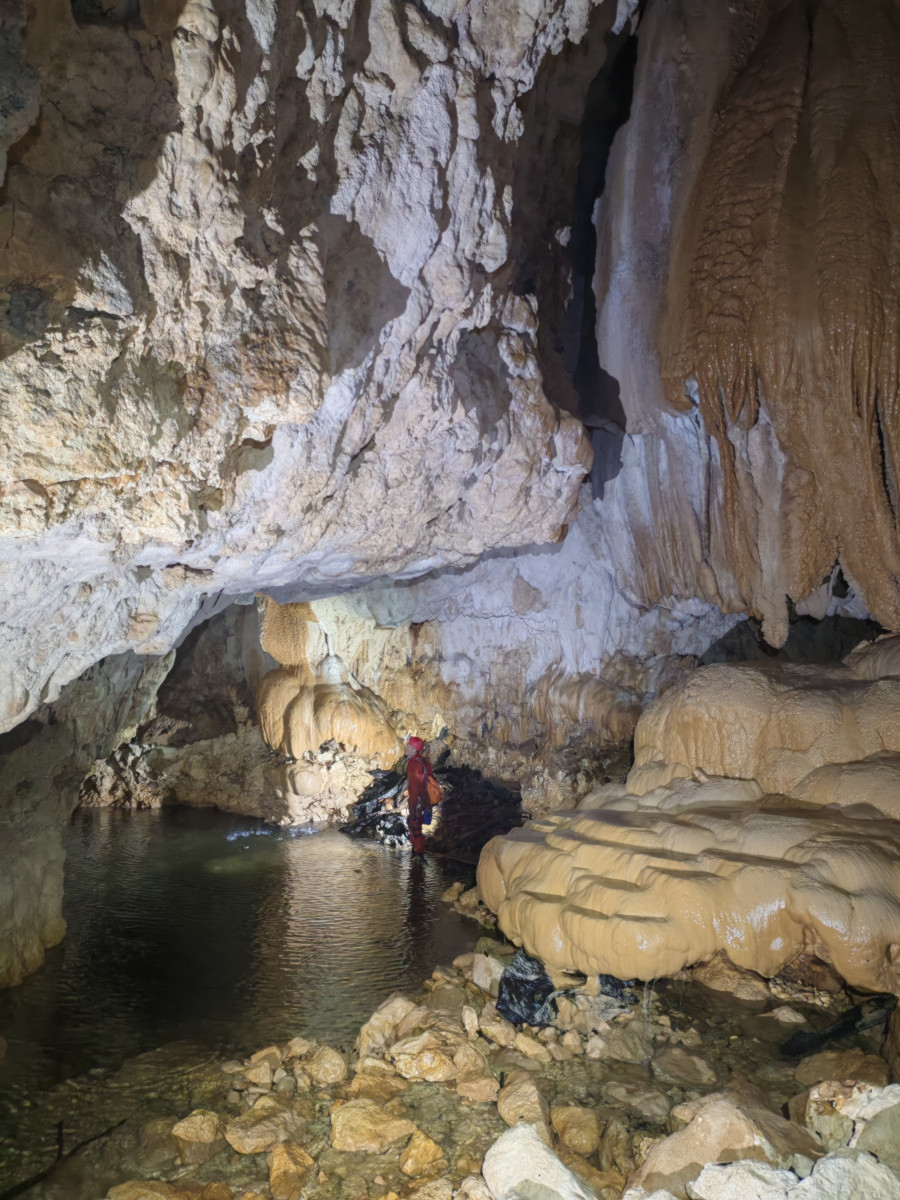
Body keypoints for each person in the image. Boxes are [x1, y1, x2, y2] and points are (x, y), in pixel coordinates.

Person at [404, 735, 434, 855]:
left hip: (417, 802)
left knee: (415, 829)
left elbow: (415, 787)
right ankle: (417, 858)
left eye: (408, 745)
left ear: (413, 748)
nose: (405, 747)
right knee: (417, 828)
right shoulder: (423, 762)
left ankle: (418, 857)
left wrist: (412, 806)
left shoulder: (413, 764)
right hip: (424, 800)